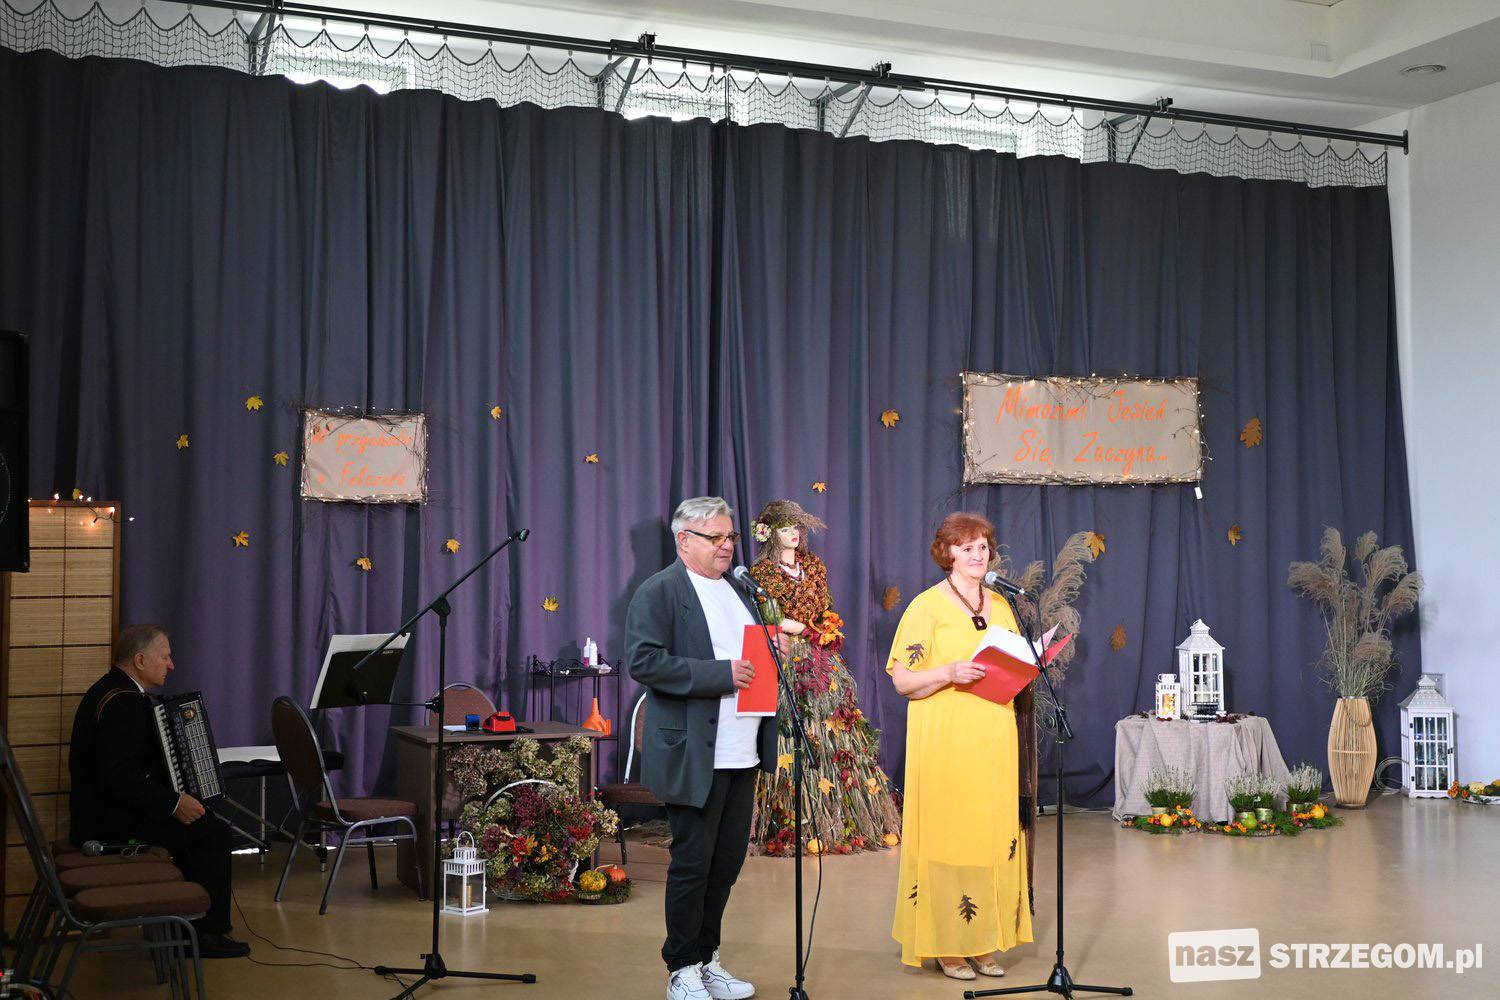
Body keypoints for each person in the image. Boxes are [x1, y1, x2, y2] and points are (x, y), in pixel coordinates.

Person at [625, 497, 775, 1000]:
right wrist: (719, 675)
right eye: (716, 537)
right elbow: (644, 661)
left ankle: (707, 959)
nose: (727, 546)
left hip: (743, 751)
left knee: (726, 865)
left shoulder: (739, 590)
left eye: (731, 536)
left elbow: (751, 658)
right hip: (696, 753)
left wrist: (773, 655)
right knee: (693, 865)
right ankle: (681, 968)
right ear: (684, 540)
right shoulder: (660, 590)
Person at [885, 512, 1033, 981]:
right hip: (945, 739)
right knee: (949, 837)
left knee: (988, 837)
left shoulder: (1002, 605)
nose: (978, 555)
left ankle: (982, 942)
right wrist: (949, 672)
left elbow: (1013, 664)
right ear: (947, 553)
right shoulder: (925, 607)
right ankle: (947, 945)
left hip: (994, 734)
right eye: (967, 547)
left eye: (983, 547)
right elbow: (903, 681)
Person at [68, 624, 250, 959]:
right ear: (140, 660)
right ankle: (201, 933)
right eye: (165, 657)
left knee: (201, 823)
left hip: (101, 812)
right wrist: (173, 803)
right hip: (105, 824)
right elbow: (116, 776)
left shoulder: (113, 690)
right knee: (212, 834)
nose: (171, 664)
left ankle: (184, 925)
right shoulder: (123, 702)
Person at [746, 500, 900, 855]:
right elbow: (766, 614)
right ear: (770, 534)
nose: (793, 534)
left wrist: (824, 627)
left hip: (820, 655)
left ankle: (843, 816)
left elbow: (825, 606)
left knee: (834, 725)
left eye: (796, 527)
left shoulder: (813, 565)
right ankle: (783, 818)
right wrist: (801, 628)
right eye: (785, 528)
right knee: (789, 724)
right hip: (786, 653)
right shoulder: (763, 572)